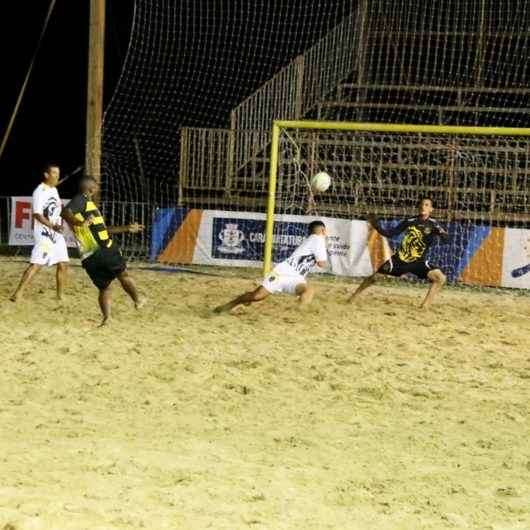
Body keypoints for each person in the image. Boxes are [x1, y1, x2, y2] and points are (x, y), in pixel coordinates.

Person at [61, 176, 146, 325]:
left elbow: (104, 230)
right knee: (123, 275)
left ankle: (107, 318)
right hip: (104, 249)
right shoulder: (81, 200)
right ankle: (138, 299)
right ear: (91, 190)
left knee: (104, 287)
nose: (99, 188)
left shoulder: (88, 207)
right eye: (97, 186)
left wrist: (127, 228)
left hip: (88, 256)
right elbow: (65, 212)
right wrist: (80, 222)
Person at [349, 197, 449, 308]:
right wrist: (377, 226)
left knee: (441, 278)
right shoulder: (410, 221)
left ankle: (424, 306)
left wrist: (442, 233)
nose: (423, 207)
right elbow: (391, 234)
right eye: (421, 204)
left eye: (426, 205)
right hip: (401, 260)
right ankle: (352, 298)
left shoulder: (434, 224)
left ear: (431, 209)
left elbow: (447, 240)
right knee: (375, 277)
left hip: (418, 262)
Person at [214, 220, 328, 313]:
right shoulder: (318, 239)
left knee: (308, 290)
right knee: (257, 296)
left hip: (296, 277)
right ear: (323, 230)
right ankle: (229, 305)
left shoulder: (313, 240)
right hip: (282, 273)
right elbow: (322, 264)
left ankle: (297, 313)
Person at [10, 163, 69, 302]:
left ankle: (60, 295)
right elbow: (37, 214)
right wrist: (51, 226)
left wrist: (58, 225)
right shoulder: (39, 191)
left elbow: (55, 209)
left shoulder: (53, 190)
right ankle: (17, 293)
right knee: (37, 264)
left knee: (63, 264)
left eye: (58, 173)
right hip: (44, 233)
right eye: (54, 173)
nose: (57, 176)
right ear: (46, 175)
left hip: (56, 233)